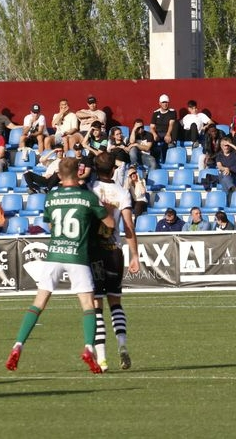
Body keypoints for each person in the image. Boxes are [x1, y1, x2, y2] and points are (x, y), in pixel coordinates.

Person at [5, 157, 118, 374]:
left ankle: (18, 344)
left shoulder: (51, 196)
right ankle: (88, 348)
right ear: (78, 172)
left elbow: (49, 222)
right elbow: (110, 225)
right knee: (88, 304)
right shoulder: (87, 196)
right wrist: (108, 209)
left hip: (55, 253)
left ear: (59, 174)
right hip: (77, 257)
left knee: (39, 302)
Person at [89, 152, 141, 372]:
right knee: (116, 302)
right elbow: (128, 226)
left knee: (96, 307)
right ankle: (122, 345)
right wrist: (134, 255)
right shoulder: (121, 192)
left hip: (93, 251)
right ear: (113, 170)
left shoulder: (89, 190)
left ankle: (101, 360)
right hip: (114, 251)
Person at [150, 94, 177, 164]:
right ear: (160, 103)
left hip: (167, 133)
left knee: (165, 145)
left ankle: (164, 161)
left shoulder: (172, 112)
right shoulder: (155, 113)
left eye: (166, 102)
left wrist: (168, 134)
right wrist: (154, 134)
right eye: (163, 102)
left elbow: (171, 124)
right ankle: (153, 162)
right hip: (158, 133)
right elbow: (152, 127)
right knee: (150, 141)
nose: (165, 104)